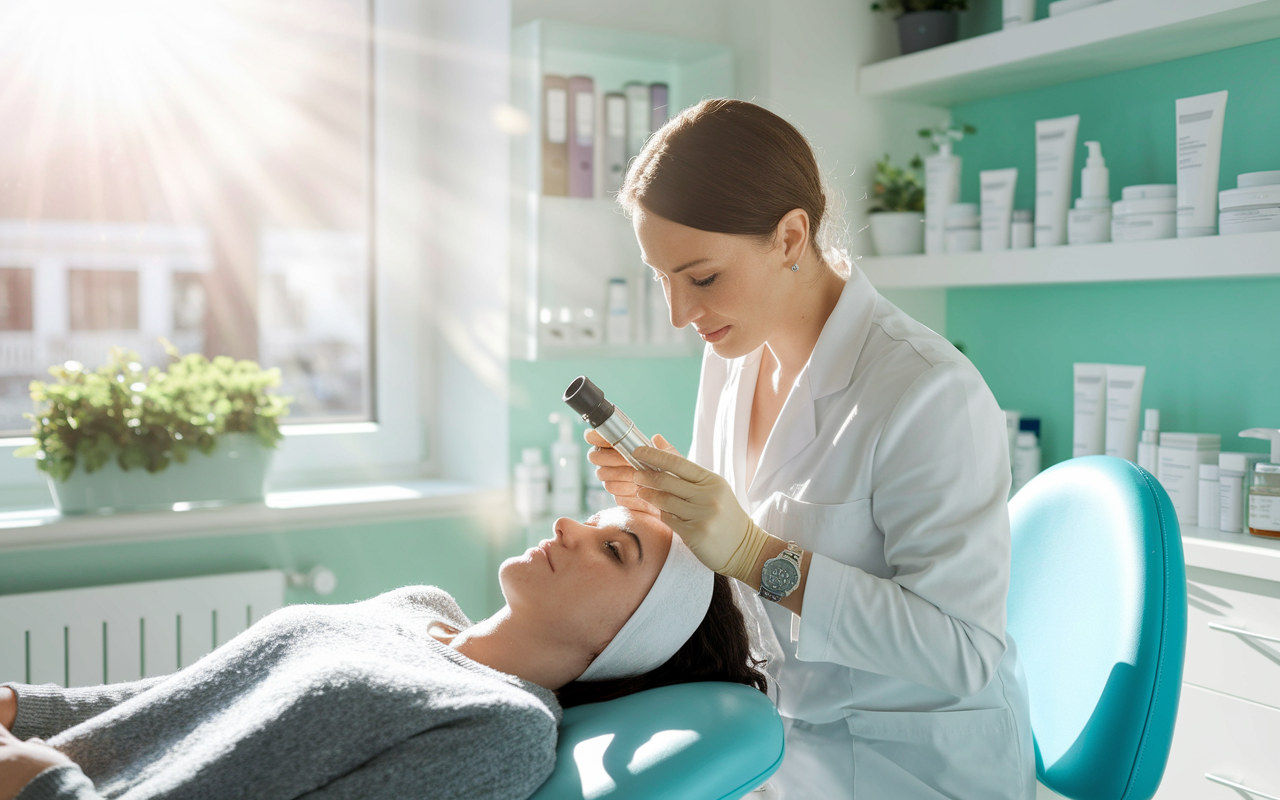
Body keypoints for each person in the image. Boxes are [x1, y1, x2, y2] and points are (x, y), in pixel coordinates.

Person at [587, 98, 1035, 800]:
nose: (679, 313)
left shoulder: (926, 391)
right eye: (661, 277)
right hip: (780, 746)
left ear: (791, 236)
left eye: (700, 277)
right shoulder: (731, 355)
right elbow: (733, 571)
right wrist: (674, 517)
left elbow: (962, 652)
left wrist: (758, 557)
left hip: (911, 769)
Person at [0, 507, 768, 800]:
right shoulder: (417, 607)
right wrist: (24, 708)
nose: (569, 525)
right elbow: (202, 695)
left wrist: (48, 792)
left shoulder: (503, 731)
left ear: (626, 639)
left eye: (614, 548)